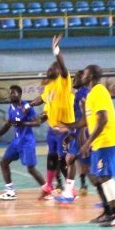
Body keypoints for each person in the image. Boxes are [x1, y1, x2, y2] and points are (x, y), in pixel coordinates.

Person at [56, 65, 115, 227]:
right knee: (99, 177)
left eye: (85, 73)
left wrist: (87, 143)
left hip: (109, 140)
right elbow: (87, 121)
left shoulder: (99, 91)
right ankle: (109, 213)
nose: (82, 75)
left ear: (91, 76)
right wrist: (68, 125)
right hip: (99, 142)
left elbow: (103, 119)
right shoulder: (91, 95)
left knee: (105, 177)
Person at [26, 35, 75, 199]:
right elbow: (42, 98)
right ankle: (48, 186)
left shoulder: (64, 81)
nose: (49, 70)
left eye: (52, 68)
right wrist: (29, 105)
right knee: (51, 158)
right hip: (52, 130)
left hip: (64, 128)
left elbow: (62, 66)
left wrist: (56, 52)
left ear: (58, 71)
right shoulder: (49, 86)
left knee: (63, 160)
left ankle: (70, 190)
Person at [0, 85, 47, 200]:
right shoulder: (11, 107)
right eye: (10, 93)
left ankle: (47, 189)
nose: (11, 95)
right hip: (16, 142)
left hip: (27, 142)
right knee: (3, 163)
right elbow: (9, 124)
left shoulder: (27, 107)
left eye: (13, 93)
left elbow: (37, 122)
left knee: (31, 169)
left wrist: (23, 123)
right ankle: (10, 191)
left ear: (20, 94)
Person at [55, 70, 91, 203]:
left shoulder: (82, 93)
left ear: (83, 79)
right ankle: (69, 192)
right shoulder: (79, 94)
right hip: (79, 133)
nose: (73, 80)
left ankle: (106, 197)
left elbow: (85, 118)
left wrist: (68, 126)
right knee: (70, 159)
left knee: (88, 167)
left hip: (84, 133)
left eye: (76, 78)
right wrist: (71, 134)